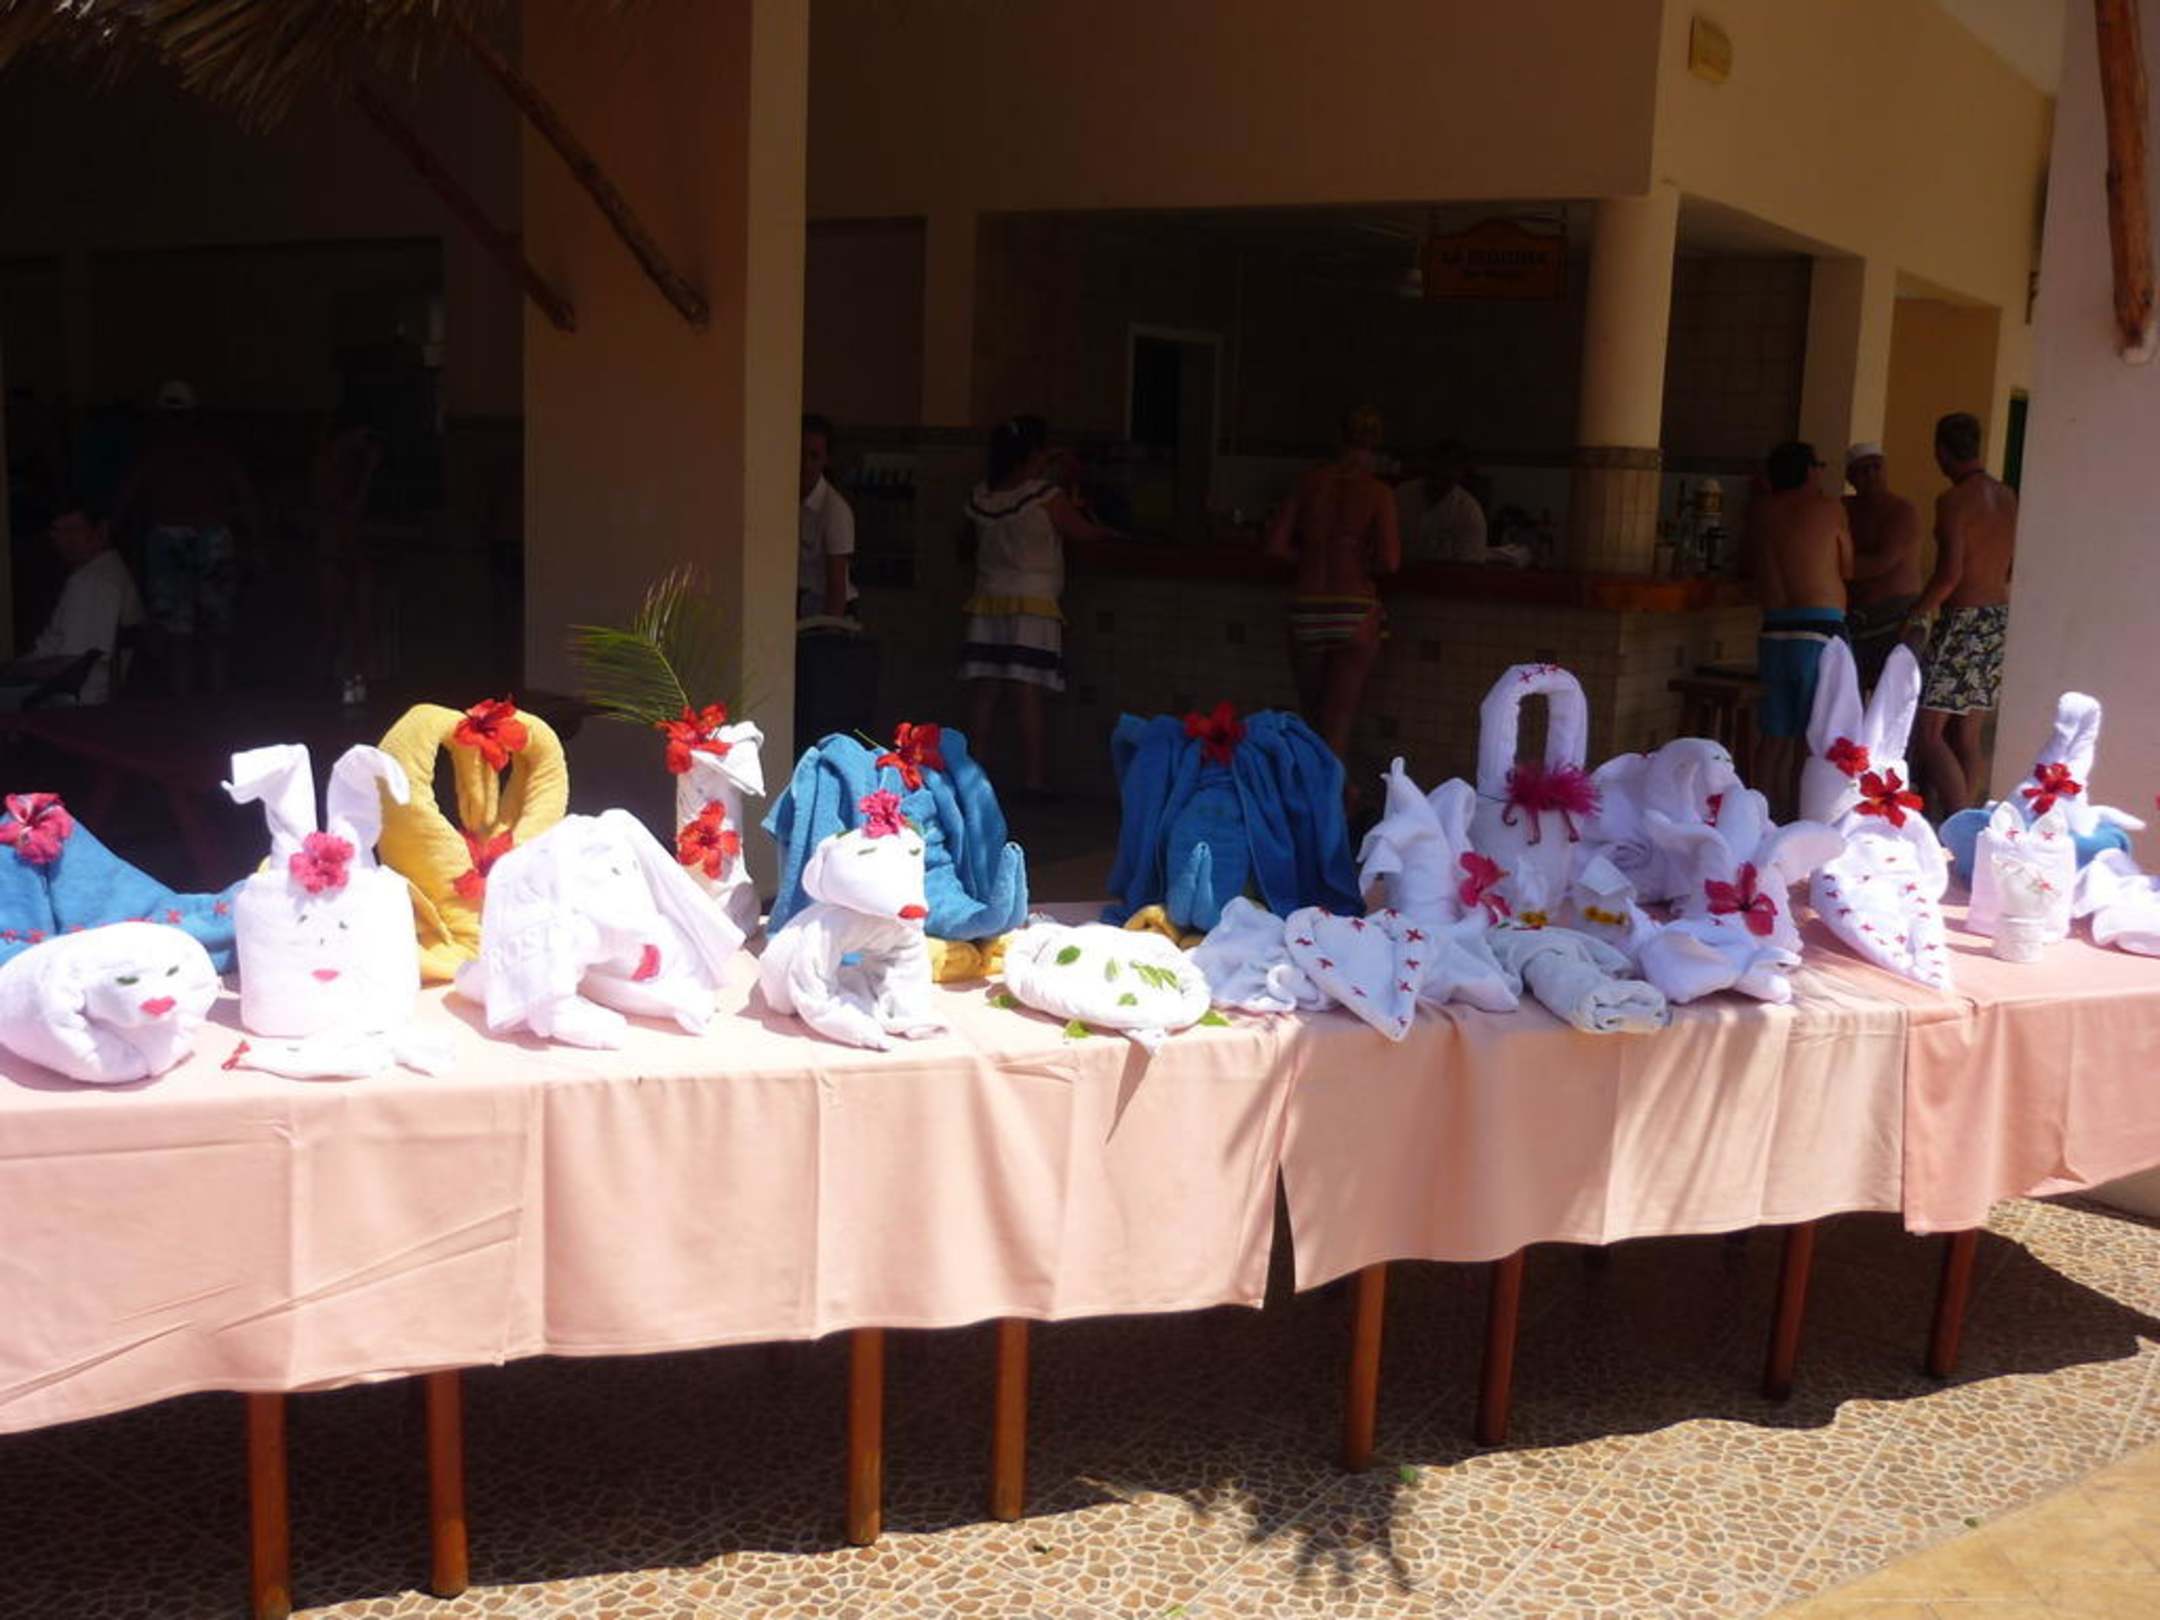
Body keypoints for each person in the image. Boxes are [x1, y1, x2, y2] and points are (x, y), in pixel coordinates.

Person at [960, 415, 1120, 796]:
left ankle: (972, 775)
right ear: (1033, 454)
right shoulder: (1044, 496)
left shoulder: (981, 497)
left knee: (986, 693)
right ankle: (1034, 779)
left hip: (987, 600)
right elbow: (1084, 531)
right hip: (1033, 605)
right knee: (1028, 692)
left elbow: (964, 544)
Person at [1264, 405, 1401, 770]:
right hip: (1353, 608)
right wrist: (1356, 558)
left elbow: (1275, 546)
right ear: (1375, 446)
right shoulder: (1378, 492)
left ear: (1339, 439)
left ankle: (1322, 796)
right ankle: (1336, 801)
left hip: (1307, 607)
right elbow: (1390, 562)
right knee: (1338, 724)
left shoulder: (1308, 483)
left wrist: (1309, 555)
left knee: (1313, 721)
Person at [114, 380, 257, 694]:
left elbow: (243, 494)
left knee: (203, 636)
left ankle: (207, 704)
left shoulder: (203, 451)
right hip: (181, 542)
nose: (176, 422)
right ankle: (192, 706)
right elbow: (130, 498)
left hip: (201, 540)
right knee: (185, 638)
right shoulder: (161, 452)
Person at [1911, 411, 2016, 816]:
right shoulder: (2007, 497)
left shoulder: (1953, 501)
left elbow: (1949, 574)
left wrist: (1916, 614)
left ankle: (1957, 822)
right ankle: (1970, 822)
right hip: (1997, 619)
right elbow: (2010, 567)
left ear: (1940, 451)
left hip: (1963, 621)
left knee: (1929, 733)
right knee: (1968, 735)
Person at [1745, 440, 1852, 818]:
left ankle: (1758, 818)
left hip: (1774, 631)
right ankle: (1802, 819)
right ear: (1809, 471)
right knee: (1813, 737)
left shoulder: (1759, 512)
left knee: (1773, 738)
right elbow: (1848, 567)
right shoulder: (1829, 509)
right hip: (1820, 630)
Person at [0, 493, 144, 707]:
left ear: (101, 530)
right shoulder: (106, 571)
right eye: (58, 532)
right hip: (72, 692)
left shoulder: (93, 581)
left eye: (73, 530)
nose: (64, 540)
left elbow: (71, 666)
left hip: (71, 700)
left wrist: (12, 672)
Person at [1841, 443, 1925, 694]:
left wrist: (1827, 570)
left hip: (1895, 619)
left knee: (1889, 698)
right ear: (1850, 477)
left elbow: (1883, 562)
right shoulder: (1844, 508)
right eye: (1863, 470)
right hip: (1853, 618)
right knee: (1849, 696)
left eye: (1876, 467)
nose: (1871, 475)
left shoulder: (1901, 510)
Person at [798, 413, 857, 620]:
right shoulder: (785, 501)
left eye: (814, 456)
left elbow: (836, 588)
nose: (805, 464)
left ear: (826, 460)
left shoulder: (835, 511)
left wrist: (829, 630)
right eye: (801, 453)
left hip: (828, 610)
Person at [1412, 441, 1487, 562]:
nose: (1437, 481)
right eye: (1434, 473)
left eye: (1446, 475)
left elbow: (1471, 564)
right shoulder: (1402, 495)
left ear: (1460, 474)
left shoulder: (1469, 512)